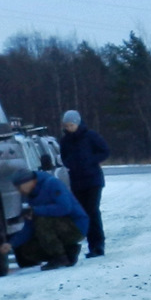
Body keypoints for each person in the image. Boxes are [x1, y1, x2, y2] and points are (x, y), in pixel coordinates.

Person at [0, 168, 88, 270]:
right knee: (28, 249)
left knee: (41, 220)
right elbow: (29, 227)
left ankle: (60, 257)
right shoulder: (30, 196)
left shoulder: (52, 184)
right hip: (58, 227)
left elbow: (65, 207)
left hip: (75, 226)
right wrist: (11, 244)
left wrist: (36, 211)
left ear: (28, 181)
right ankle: (68, 252)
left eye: (19, 187)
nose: (19, 190)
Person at [57, 109, 109, 257]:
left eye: (71, 125)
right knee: (83, 213)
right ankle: (90, 245)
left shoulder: (90, 136)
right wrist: (70, 164)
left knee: (93, 211)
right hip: (77, 181)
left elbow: (105, 151)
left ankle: (98, 245)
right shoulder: (65, 141)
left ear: (77, 123)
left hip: (93, 180)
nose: (68, 128)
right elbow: (64, 156)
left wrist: (90, 161)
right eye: (66, 126)